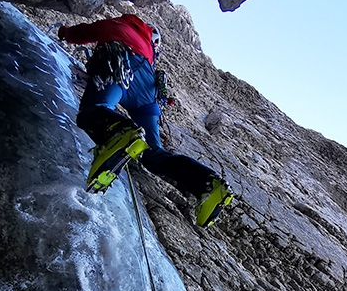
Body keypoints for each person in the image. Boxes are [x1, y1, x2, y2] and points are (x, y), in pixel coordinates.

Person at [57, 13, 233, 227]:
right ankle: (208, 185)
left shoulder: (119, 24)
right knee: (153, 153)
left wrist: (65, 32)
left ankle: (119, 133)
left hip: (120, 65)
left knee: (94, 111)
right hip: (146, 90)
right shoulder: (149, 49)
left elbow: (83, 33)